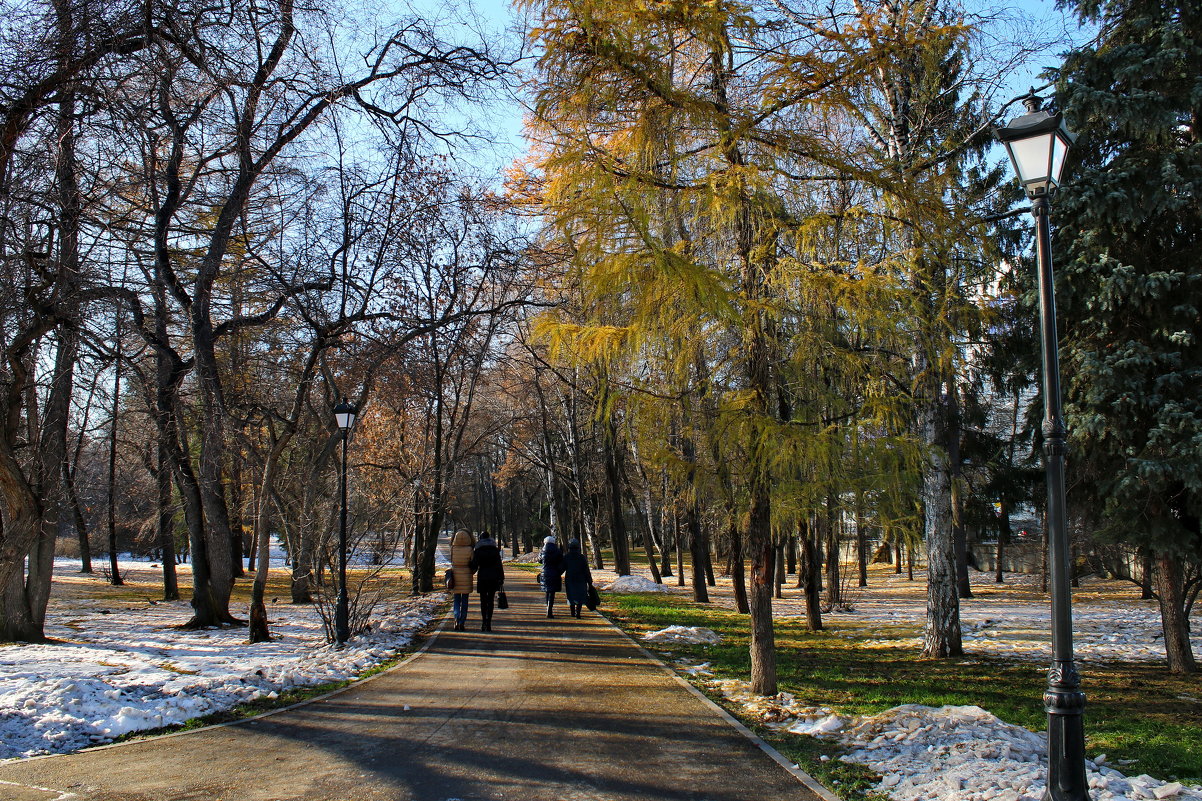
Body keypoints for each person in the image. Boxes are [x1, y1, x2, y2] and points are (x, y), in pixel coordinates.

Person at [470, 530, 505, 631]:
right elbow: (499, 565)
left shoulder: (478, 551)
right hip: (493, 577)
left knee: (483, 601)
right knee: (490, 601)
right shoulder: (495, 550)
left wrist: (469, 565)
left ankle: (483, 622)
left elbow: (474, 565)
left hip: (482, 577)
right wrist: (501, 578)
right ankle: (489, 622)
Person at [448, 529, 475, 631]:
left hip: (455, 575)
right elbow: (472, 563)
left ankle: (456, 617)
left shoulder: (453, 549)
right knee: (465, 601)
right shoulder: (470, 549)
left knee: (456, 600)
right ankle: (462, 621)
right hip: (467, 575)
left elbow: (452, 561)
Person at [562, 538, 592, 619]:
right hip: (581, 579)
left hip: (570, 579)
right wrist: (589, 580)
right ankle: (578, 612)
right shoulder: (582, 557)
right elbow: (586, 570)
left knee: (571, 595)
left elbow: (562, 568)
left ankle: (572, 612)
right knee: (580, 595)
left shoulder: (566, 557)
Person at [538, 535, 564, 618]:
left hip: (545, 573)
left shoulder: (542, 551)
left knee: (547, 591)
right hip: (555, 573)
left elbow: (539, 560)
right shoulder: (558, 551)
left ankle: (547, 608)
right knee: (552, 593)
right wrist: (559, 572)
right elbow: (561, 562)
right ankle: (550, 608)